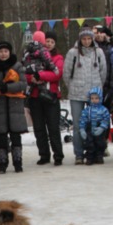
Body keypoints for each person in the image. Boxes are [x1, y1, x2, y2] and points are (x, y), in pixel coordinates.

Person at [64, 28, 107, 164]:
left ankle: (94, 152)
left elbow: (103, 72)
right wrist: (72, 86)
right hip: (77, 93)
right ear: (80, 39)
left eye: (89, 38)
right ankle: (78, 153)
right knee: (78, 125)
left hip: (94, 93)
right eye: (84, 39)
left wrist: (98, 88)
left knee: (96, 122)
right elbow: (66, 72)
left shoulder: (98, 52)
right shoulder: (73, 52)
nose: (87, 41)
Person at [0, 40, 27, 174]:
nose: (3, 54)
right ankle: (2, 163)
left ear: (10, 52)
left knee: (15, 136)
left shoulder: (17, 65)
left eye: (6, 51)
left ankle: (18, 162)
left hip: (15, 106)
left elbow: (23, 84)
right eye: (0, 52)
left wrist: (7, 87)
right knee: (0, 138)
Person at [25, 30, 64, 166]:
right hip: (35, 96)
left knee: (53, 127)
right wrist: (32, 78)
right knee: (39, 128)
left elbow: (56, 74)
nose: (48, 44)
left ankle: (58, 155)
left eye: (51, 42)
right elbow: (24, 73)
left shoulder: (57, 58)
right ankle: (44, 154)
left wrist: (40, 75)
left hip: (51, 96)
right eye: (46, 41)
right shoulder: (29, 56)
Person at [78, 87, 110, 165]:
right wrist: (82, 129)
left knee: (100, 144)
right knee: (89, 143)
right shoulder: (87, 110)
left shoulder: (103, 109)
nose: (94, 100)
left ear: (100, 98)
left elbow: (106, 119)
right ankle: (90, 157)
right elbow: (83, 119)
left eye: (96, 98)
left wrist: (102, 127)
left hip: (99, 129)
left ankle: (99, 156)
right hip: (90, 128)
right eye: (92, 98)